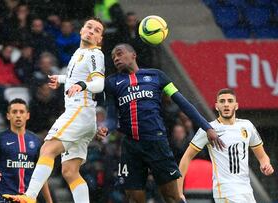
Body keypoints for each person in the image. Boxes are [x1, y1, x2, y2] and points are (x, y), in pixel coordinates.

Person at [96, 43, 224, 203]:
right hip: (131, 147)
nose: (116, 58)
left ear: (133, 55)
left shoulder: (157, 76)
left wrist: (207, 127)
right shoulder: (111, 83)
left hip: (156, 142)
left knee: (172, 197)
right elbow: (112, 118)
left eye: (120, 53)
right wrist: (105, 128)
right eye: (114, 56)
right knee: (133, 199)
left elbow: (183, 103)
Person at [3, 17, 106, 203]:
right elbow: (76, 76)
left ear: (99, 39)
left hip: (80, 111)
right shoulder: (79, 53)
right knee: (70, 172)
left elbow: (99, 83)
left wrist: (82, 85)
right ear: (81, 30)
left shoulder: (95, 54)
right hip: (84, 118)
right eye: (89, 27)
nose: (91, 31)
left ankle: (30, 196)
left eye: (97, 30)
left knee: (48, 148)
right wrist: (61, 79)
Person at [178, 88, 274, 203]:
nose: (226, 104)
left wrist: (266, 164)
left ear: (236, 105)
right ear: (217, 106)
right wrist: (179, 191)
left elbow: (262, 156)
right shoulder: (209, 129)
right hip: (225, 190)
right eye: (222, 101)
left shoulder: (247, 126)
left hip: (246, 191)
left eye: (230, 101)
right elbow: (186, 157)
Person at [0, 98, 53, 203]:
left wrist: (49, 201)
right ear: (8, 116)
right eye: (14, 112)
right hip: (5, 197)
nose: (18, 115)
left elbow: (41, 174)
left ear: (27, 115)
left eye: (22, 112)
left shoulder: (36, 140)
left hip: (28, 199)